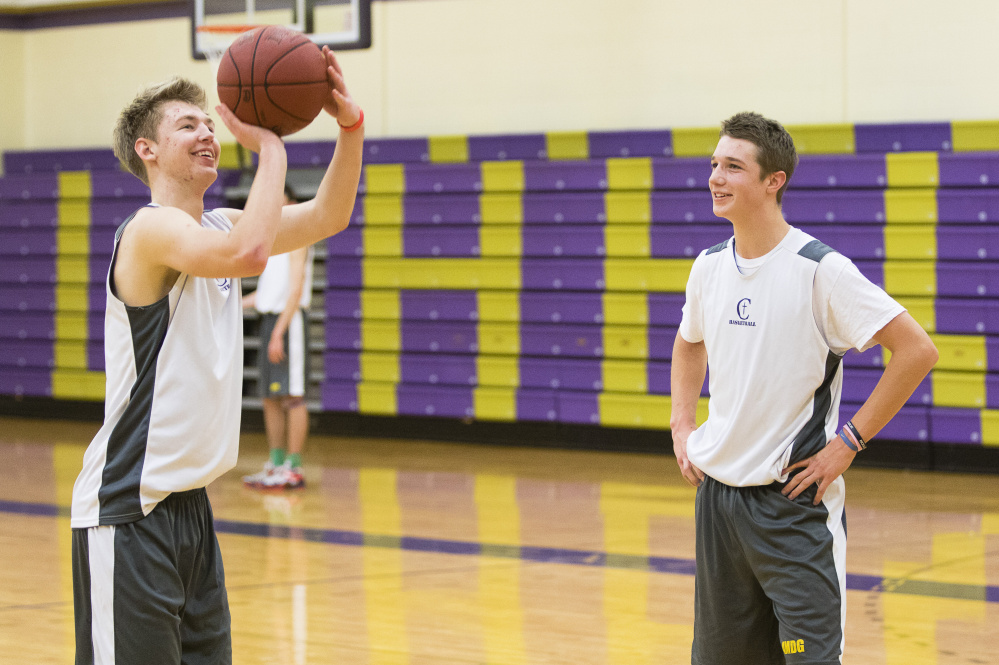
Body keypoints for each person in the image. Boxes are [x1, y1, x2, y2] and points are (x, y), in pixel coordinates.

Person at [69, 46, 364, 665]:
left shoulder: (226, 226)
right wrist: (274, 145)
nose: (207, 132)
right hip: (129, 507)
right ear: (147, 150)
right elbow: (251, 258)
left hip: (191, 510)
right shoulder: (148, 231)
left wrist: (350, 127)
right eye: (187, 125)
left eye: (210, 122)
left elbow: (330, 215)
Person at [669, 112, 938, 665]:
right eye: (714, 165)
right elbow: (688, 342)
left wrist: (848, 443)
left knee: (806, 659)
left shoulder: (820, 271)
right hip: (718, 505)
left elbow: (917, 350)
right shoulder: (708, 267)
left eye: (733, 167)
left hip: (792, 509)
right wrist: (681, 423)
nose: (716, 177)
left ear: (774, 181)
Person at [242, 184, 314, 490]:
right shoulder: (270, 243)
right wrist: (230, 302)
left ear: (290, 202)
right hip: (271, 321)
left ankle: (294, 467)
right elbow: (266, 294)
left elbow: (294, 290)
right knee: (270, 397)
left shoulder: (298, 238)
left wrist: (280, 332)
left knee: (292, 396)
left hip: (289, 322)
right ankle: (275, 463)